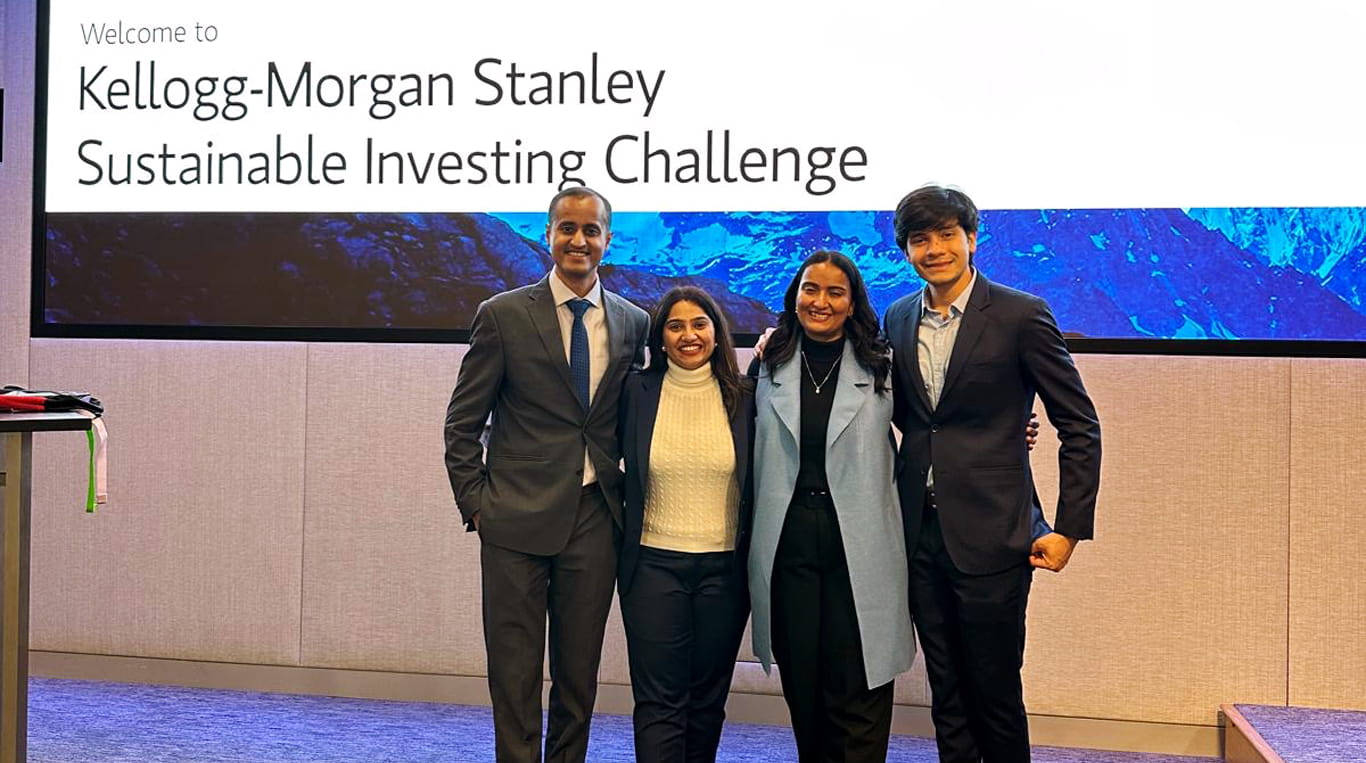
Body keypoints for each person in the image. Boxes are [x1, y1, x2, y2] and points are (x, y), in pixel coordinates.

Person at [884, 184, 1102, 762]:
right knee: (946, 693)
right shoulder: (898, 316)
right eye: (919, 239)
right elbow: (912, 418)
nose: (934, 249)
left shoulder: (1020, 314)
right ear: (907, 249)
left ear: (971, 239)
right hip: (920, 535)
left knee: (996, 693)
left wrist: (1069, 528)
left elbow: (1080, 425)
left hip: (995, 534)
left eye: (946, 235)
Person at [443, 186, 649, 763]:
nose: (578, 240)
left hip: (596, 518)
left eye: (590, 230)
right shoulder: (503, 315)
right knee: (514, 670)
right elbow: (462, 424)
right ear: (548, 235)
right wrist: (478, 504)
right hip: (513, 521)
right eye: (567, 228)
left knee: (578, 673)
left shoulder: (635, 323)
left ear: (608, 240)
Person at [748, 251, 915, 762]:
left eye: (834, 292)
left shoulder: (883, 365)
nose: (820, 302)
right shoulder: (769, 360)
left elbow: (935, 429)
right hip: (789, 541)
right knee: (805, 680)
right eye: (810, 290)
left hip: (859, 543)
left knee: (860, 681)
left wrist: (1002, 433)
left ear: (852, 303)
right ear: (794, 296)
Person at [617, 286, 756, 763]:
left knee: (706, 701)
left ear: (717, 335)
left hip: (725, 571)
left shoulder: (747, 397)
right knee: (659, 701)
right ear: (660, 338)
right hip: (653, 565)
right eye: (675, 326)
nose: (688, 335)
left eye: (700, 324)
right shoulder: (634, 392)